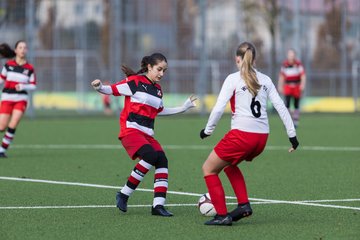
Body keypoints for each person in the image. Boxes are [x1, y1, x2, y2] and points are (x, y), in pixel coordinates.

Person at [199, 42, 299, 226]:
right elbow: (281, 106)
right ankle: (243, 206)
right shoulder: (266, 79)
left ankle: (222, 215)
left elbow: (219, 107)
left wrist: (208, 130)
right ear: (255, 59)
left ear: (237, 58)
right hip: (261, 139)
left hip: (242, 136)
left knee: (208, 169)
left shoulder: (233, 79)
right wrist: (292, 135)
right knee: (229, 165)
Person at [91, 53, 196, 217]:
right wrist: (98, 87)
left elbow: (159, 111)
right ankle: (124, 194)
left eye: (164, 71)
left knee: (162, 160)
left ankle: (158, 206)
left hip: (147, 135)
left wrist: (184, 107)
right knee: (150, 156)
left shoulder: (158, 90)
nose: (162, 74)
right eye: (159, 69)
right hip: (130, 131)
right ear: (149, 67)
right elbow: (111, 89)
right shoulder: (135, 82)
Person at [0, 41, 36, 158]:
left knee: (13, 123)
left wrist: (23, 86)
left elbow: (33, 85)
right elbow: (1, 80)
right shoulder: (8, 65)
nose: (22, 49)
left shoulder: (29, 68)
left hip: (21, 99)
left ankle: (1, 150)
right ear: (15, 50)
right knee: (1, 127)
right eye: (20, 47)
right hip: (7, 98)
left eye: (25, 47)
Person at [277, 49, 306, 127]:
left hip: (296, 86)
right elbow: (282, 76)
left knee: (296, 104)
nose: (291, 57)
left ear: (294, 56)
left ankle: (295, 122)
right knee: (287, 105)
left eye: (292, 55)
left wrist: (302, 84)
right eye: (290, 55)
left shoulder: (298, 64)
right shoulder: (285, 65)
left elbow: (303, 75)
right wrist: (280, 85)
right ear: (288, 56)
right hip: (288, 86)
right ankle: (288, 122)